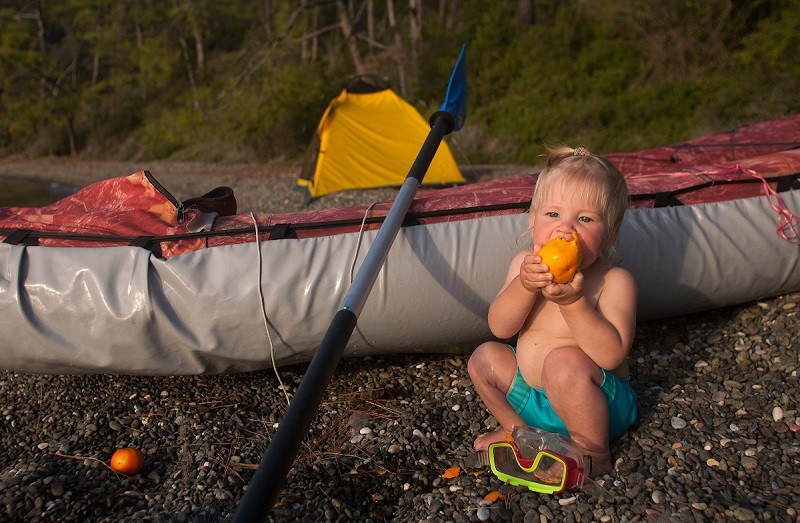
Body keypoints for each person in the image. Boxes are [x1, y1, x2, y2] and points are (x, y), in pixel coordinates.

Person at [468, 144, 637, 477]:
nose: (566, 229)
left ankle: (592, 454)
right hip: (534, 400)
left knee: (562, 361)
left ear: (609, 236)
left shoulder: (613, 280)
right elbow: (500, 327)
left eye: (585, 219)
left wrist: (574, 305)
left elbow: (612, 354)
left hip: (598, 407)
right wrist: (524, 286)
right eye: (553, 214)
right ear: (533, 222)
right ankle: (520, 434)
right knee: (484, 358)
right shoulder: (523, 266)